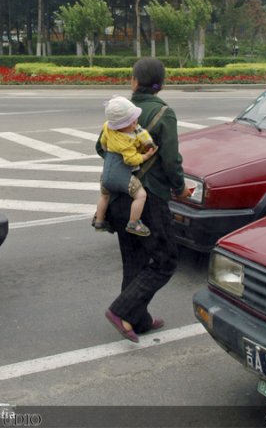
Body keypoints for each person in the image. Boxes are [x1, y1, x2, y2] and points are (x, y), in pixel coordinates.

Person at [98, 58, 192, 343]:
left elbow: (100, 148)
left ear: (134, 81)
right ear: (160, 85)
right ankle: (121, 310)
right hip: (148, 199)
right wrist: (179, 188)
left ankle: (138, 320)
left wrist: (127, 160)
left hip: (118, 197)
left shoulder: (120, 112)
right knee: (165, 260)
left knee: (134, 261)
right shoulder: (164, 113)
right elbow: (172, 160)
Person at [93, 96, 157, 237]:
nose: (135, 123)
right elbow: (131, 160)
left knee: (104, 196)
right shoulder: (127, 141)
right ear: (123, 125)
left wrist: (109, 148)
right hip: (122, 177)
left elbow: (103, 143)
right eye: (132, 122)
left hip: (107, 176)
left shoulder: (107, 127)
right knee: (140, 195)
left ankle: (99, 220)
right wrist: (145, 156)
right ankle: (133, 223)